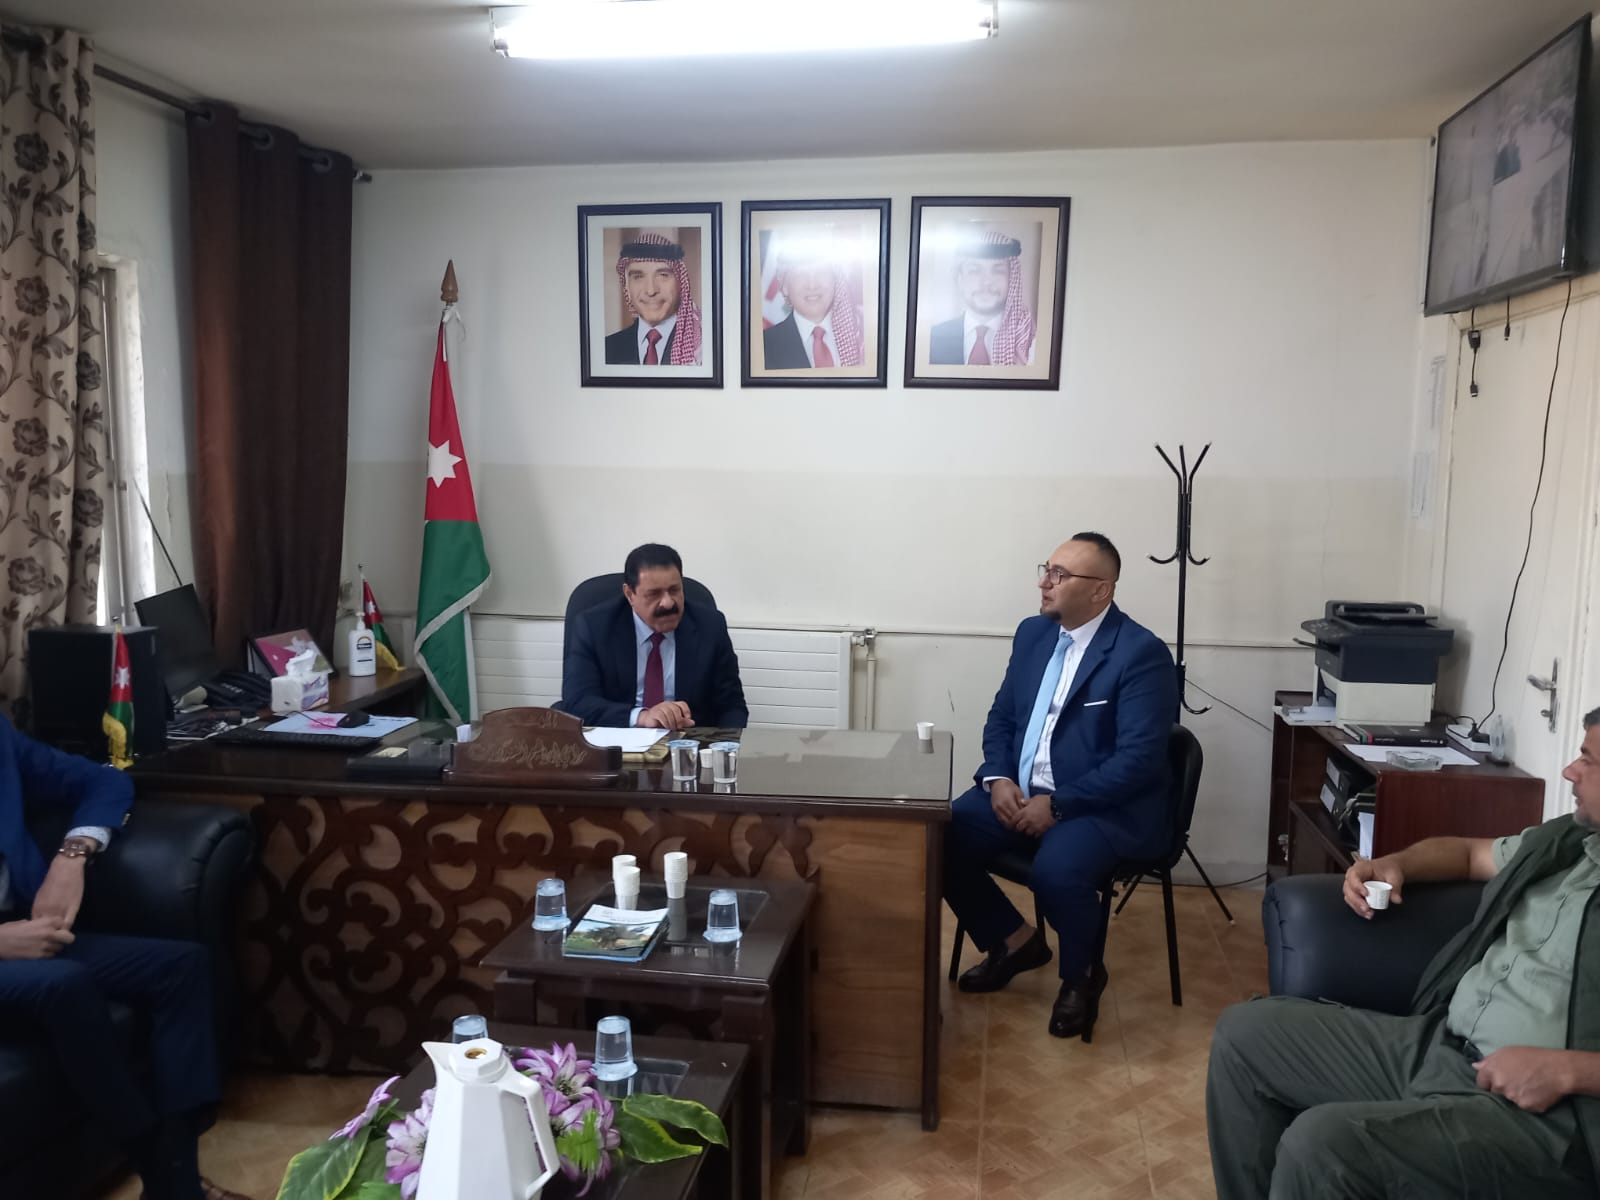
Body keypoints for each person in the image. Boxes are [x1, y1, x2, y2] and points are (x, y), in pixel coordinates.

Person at [1205, 707, 1600, 1200]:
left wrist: (1568, 1071)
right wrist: (1395, 863)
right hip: (1441, 1044)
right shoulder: (1566, 842)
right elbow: (1470, 855)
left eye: (1589, 760)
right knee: (1246, 1034)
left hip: (1540, 1118)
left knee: (1323, 1147)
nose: (1570, 771)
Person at [0, 714, 251, 1200]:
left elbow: (104, 781)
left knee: (181, 967)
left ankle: (174, 1184)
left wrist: (73, 855)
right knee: (63, 983)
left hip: (28, 931)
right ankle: (166, 1174)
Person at [943, 533, 1177, 1038]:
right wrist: (999, 777)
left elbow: (1139, 760)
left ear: (1101, 590)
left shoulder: (1140, 653)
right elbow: (1002, 718)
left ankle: (1081, 976)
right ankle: (1014, 941)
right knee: (938, 836)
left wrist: (1059, 803)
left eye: (1059, 575)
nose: (1043, 583)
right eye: (1046, 569)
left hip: (1100, 805)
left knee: (1057, 873)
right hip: (1021, 790)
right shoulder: (1033, 634)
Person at [560, 543, 748, 730]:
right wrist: (641, 717)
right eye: (654, 594)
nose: (668, 603)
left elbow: (732, 706)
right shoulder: (594, 628)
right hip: (620, 738)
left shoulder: (710, 626)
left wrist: (724, 745)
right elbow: (578, 702)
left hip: (688, 741)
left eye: (674, 590)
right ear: (629, 594)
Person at [928, 230, 1037, 366]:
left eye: (998, 271)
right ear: (960, 280)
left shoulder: (1030, 340)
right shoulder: (932, 339)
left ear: (1011, 278)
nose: (986, 282)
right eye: (974, 270)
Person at [762, 237, 865, 370]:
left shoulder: (862, 337)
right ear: (784, 285)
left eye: (821, 272)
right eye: (801, 274)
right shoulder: (763, 346)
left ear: (835, 280)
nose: (812, 285)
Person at [603, 232, 704, 366]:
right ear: (627, 286)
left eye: (663, 275)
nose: (650, 291)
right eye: (638, 277)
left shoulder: (703, 345)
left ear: (680, 282)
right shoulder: (607, 349)